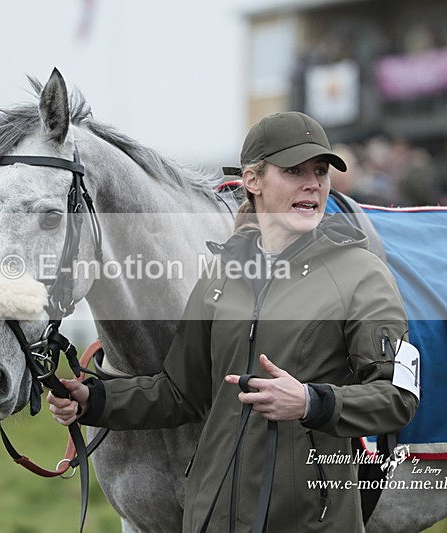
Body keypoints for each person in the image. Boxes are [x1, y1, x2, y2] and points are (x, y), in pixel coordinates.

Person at [48, 112, 420, 532]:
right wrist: (94, 400)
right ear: (253, 181)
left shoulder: (361, 274)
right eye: (294, 171)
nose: (313, 184)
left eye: (320, 171)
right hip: (212, 518)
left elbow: (398, 397)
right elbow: (179, 392)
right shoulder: (221, 272)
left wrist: (311, 402)